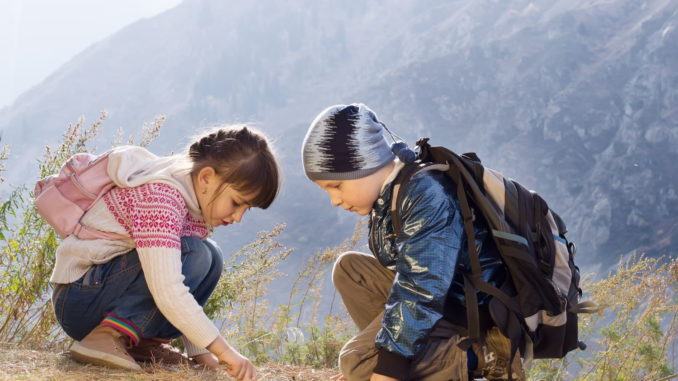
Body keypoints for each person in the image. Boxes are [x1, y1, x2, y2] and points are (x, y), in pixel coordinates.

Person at [301, 104, 523, 381]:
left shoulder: (426, 195)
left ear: (363, 165)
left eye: (336, 186)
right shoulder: (393, 192)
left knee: (355, 363)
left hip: (470, 315)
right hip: (446, 302)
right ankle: (412, 357)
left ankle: (483, 357)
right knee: (350, 269)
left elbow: (421, 286)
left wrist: (386, 369)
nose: (334, 200)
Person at [50, 125, 280, 380]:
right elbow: (167, 288)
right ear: (206, 177)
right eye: (237, 202)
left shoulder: (191, 203)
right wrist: (224, 350)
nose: (238, 216)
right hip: (79, 300)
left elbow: (183, 288)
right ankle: (106, 336)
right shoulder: (160, 198)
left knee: (210, 256)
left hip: (101, 292)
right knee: (196, 254)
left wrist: (202, 353)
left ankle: (141, 343)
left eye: (247, 209)